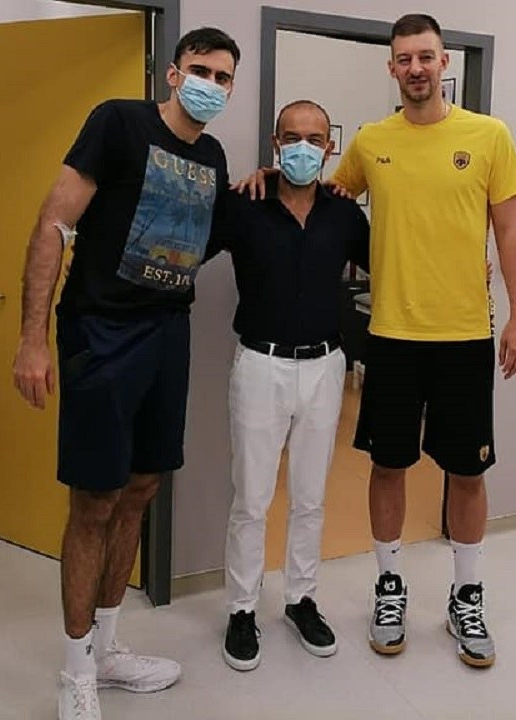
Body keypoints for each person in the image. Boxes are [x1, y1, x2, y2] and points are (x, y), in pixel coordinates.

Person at [236, 13, 516, 669]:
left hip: (464, 336)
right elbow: (320, 189)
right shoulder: (372, 142)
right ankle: (390, 588)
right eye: (405, 58)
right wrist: (267, 174)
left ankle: (466, 595)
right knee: (388, 466)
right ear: (392, 67)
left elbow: (510, 229)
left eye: (426, 56)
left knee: (468, 471)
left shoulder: (489, 136)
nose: (416, 68)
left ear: (444, 62)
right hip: (392, 335)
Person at [10, 27, 240, 720]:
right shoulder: (118, 122)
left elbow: (208, 235)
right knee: (95, 501)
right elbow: (53, 224)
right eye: (201, 70)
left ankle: (108, 650)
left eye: (224, 78)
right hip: (101, 333)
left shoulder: (212, 156)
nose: (211, 85)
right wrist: (32, 339)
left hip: (168, 332)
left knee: (142, 488)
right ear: (173, 73)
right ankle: (75, 670)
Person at [212, 100, 371, 672]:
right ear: (276, 144)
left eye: (315, 138)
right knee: (251, 498)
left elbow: (392, 265)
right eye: (292, 137)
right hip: (261, 364)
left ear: (330, 147)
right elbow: (184, 251)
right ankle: (241, 608)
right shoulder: (244, 203)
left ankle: (301, 599)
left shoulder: (343, 213)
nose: (304, 147)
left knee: (310, 496)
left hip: (325, 367)